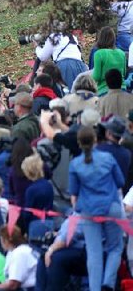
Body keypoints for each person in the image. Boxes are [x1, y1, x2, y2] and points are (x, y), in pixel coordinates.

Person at [69, 125, 124, 291]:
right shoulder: (108, 158)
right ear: (95, 140)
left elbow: (74, 192)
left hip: (88, 210)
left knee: (94, 253)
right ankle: (108, 282)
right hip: (111, 207)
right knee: (115, 247)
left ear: (79, 143)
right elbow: (120, 182)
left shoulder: (75, 164)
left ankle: (95, 288)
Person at [36, 212, 88, 291]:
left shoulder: (83, 211)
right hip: (73, 247)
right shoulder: (75, 213)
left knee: (55, 257)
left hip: (88, 250)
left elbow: (68, 237)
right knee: (43, 256)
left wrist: (51, 249)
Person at [92, 26, 127, 95]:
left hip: (105, 91)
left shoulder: (99, 54)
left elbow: (96, 76)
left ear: (100, 38)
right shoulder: (122, 53)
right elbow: (124, 73)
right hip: (122, 89)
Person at [21, 154, 53, 225]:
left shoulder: (31, 190)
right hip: (48, 221)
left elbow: (27, 213)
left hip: (35, 223)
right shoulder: (48, 185)